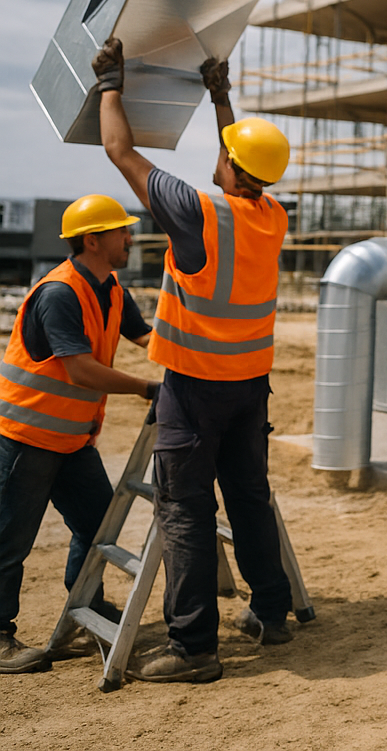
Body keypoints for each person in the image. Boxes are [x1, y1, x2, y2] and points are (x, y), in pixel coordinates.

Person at [91, 37, 295, 684]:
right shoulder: (272, 216)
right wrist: (220, 96)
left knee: (184, 511)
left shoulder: (197, 212)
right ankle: (271, 613)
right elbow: (240, 157)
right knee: (249, 498)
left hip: (195, 388)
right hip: (249, 386)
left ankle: (194, 648)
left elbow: (119, 150)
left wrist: (110, 83)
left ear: (230, 165)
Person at [0, 195, 160, 673]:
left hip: (72, 440)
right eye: (121, 231)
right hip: (27, 438)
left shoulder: (109, 287)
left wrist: (191, 355)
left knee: (97, 529)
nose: (130, 237)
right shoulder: (60, 293)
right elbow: (81, 370)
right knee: (9, 540)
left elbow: (146, 336)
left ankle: (83, 613)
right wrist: (149, 388)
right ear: (93, 240)